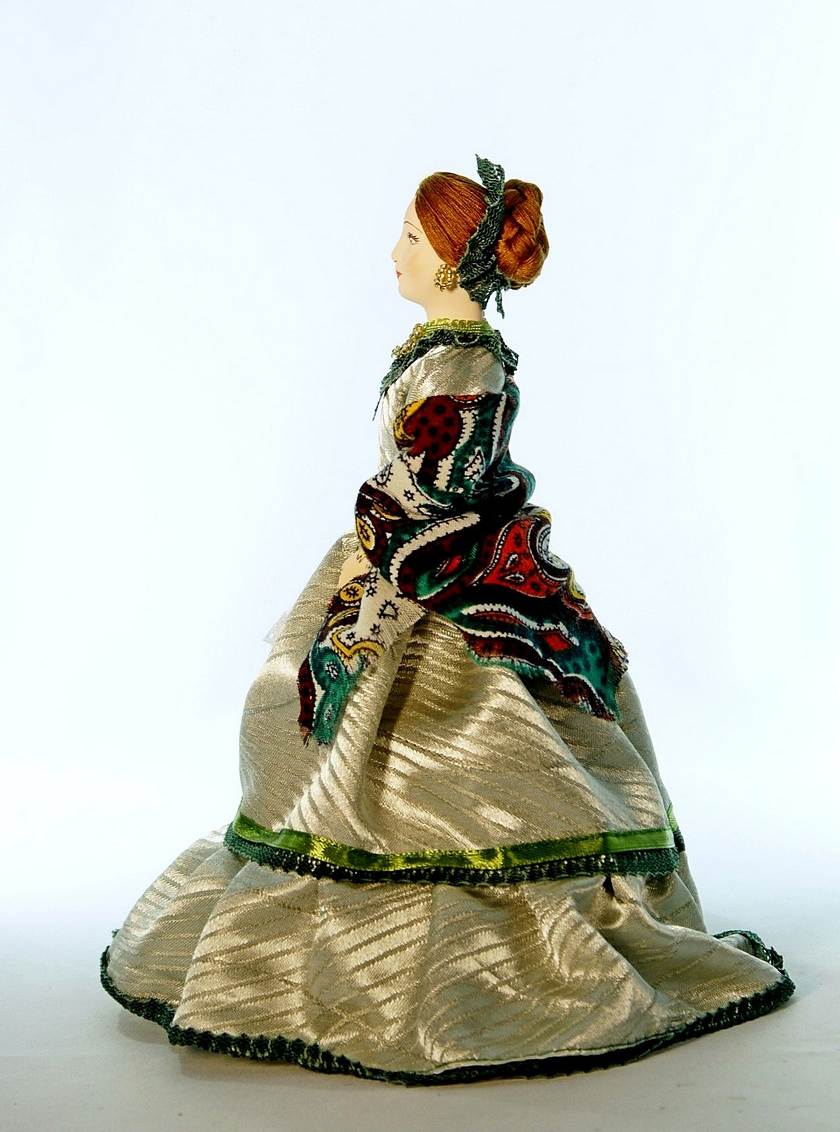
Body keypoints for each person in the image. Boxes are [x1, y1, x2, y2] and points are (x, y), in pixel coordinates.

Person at [101, 156, 793, 1085]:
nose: (395, 251)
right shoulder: (438, 351)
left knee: (452, 741)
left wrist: (378, 561)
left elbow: (440, 486)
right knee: (295, 712)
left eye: (411, 237)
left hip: (434, 568)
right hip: (402, 555)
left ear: (452, 258)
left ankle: (468, 965)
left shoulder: (464, 360)